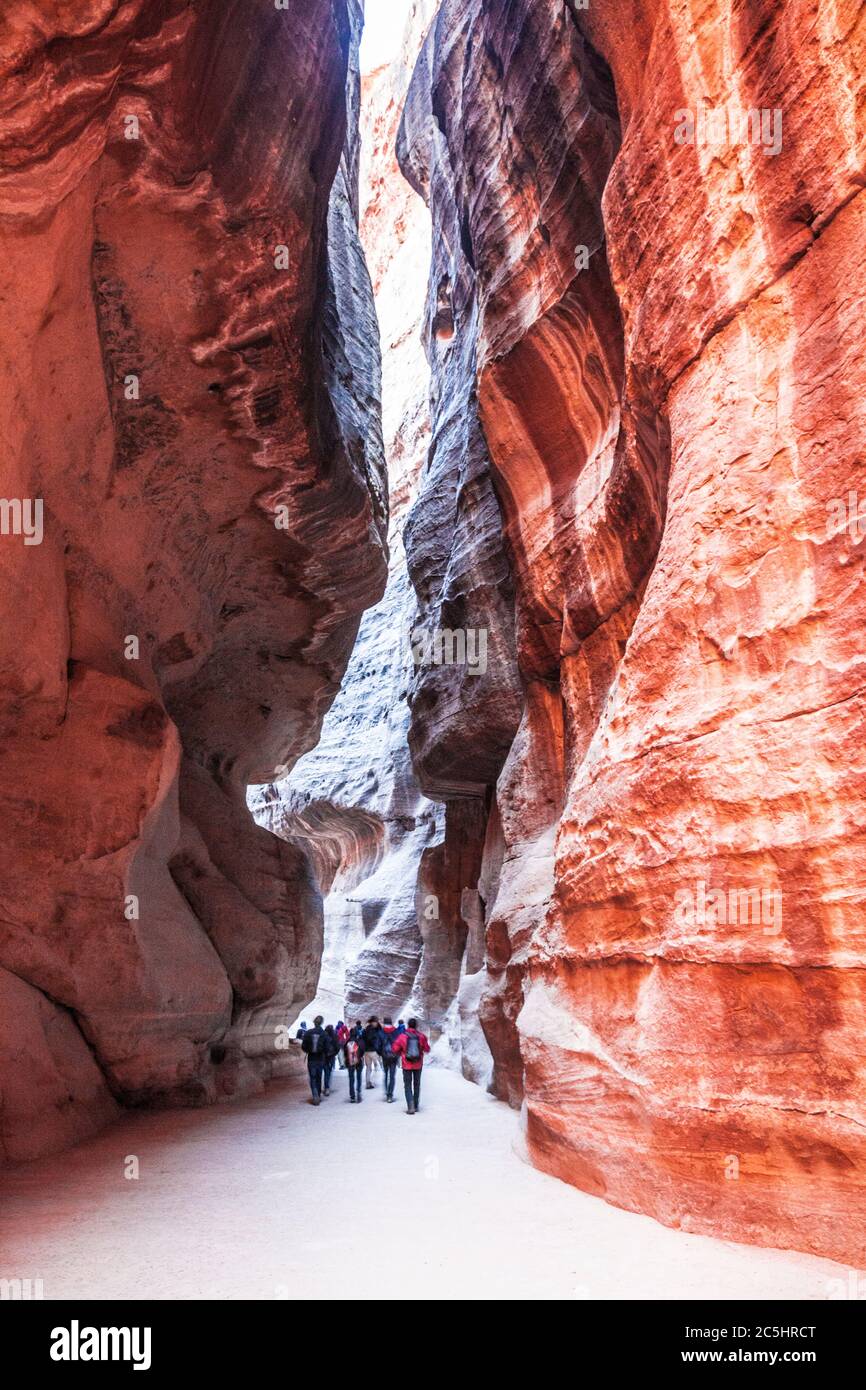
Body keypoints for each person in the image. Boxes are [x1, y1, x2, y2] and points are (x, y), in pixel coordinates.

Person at [391, 1017, 430, 1114]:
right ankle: (416, 1105)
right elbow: (427, 1049)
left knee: (407, 1085)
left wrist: (402, 1052)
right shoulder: (421, 1036)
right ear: (416, 1026)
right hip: (418, 1064)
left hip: (406, 1064)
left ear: (408, 1025)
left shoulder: (402, 1036)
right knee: (417, 1084)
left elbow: (394, 1049)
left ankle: (410, 1106)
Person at [302, 1015, 327, 1105]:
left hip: (311, 1058)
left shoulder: (308, 1033)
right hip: (320, 1059)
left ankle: (315, 1094)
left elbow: (303, 1047)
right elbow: (327, 1047)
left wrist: (308, 1050)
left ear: (314, 1022)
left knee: (312, 1077)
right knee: (319, 1077)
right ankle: (318, 1095)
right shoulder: (324, 1033)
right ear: (321, 1023)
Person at [343, 1021, 366, 1103]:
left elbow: (345, 1053)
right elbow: (363, 1051)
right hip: (358, 1062)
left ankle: (352, 1096)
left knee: (351, 1079)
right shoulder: (360, 1041)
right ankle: (358, 1093)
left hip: (350, 1062)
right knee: (359, 1077)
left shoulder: (347, 1042)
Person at [380, 1016, 399, 1103]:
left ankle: (386, 1091)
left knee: (386, 1074)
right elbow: (399, 1044)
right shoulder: (396, 1031)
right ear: (391, 1023)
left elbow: (378, 1044)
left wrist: (381, 1053)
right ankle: (390, 1095)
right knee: (392, 1076)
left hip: (385, 1057)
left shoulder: (381, 1032)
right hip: (394, 1057)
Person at [362, 1016, 384, 1089]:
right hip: (373, 1050)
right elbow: (374, 1040)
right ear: (372, 1022)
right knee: (379, 1065)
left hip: (366, 1051)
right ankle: (384, 1080)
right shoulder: (373, 1030)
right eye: (375, 1021)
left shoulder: (366, 1029)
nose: (376, 1023)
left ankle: (368, 1083)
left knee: (369, 1068)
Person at [322, 1024, 340, 1095]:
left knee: (324, 1071)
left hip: (323, 1057)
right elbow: (337, 1047)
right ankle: (327, 1088)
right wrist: (334, 1054)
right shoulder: (335, 1036)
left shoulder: (323, 1036)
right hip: (331, 1057)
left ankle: (324, 1087)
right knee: (328, 1073)